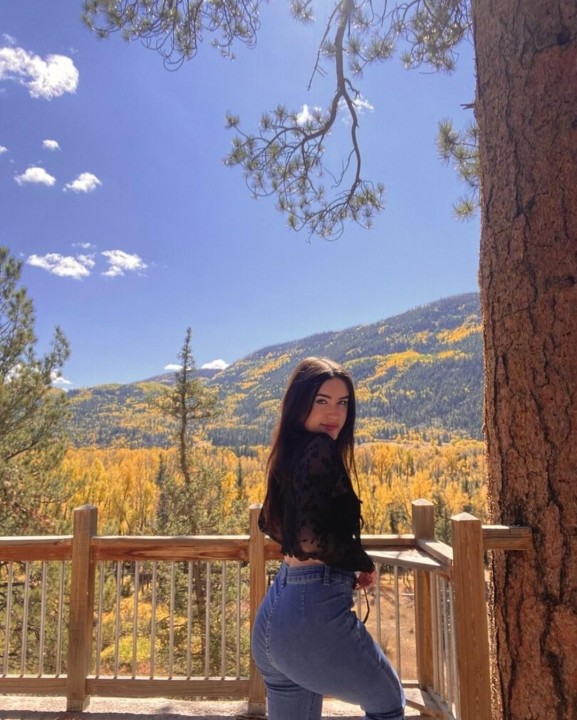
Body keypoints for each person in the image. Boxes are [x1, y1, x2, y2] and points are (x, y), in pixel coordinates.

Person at [252, 357, 405, 720]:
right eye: (322, 401)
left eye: (342, 402)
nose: (334, 413)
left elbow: (269, 524)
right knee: (388, 703)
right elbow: (309, 540)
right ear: (300, 403)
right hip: (310, 611)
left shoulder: (290, 451)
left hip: (275, 614)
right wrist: (361, 562)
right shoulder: (319, 448)